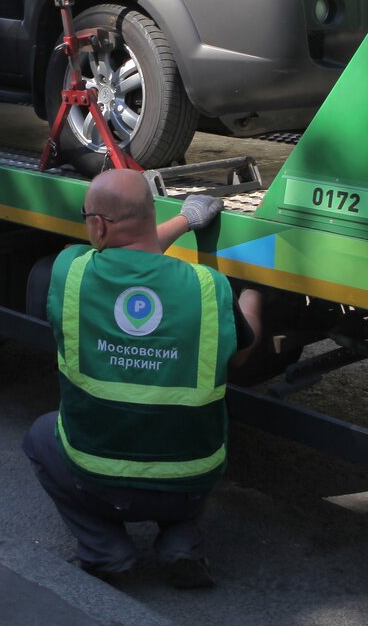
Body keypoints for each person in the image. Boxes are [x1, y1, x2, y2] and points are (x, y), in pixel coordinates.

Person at [23, 168, 262, 589]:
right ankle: (180, 542)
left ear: (96, 225)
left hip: (97, 481)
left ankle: (106, 551)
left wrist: (183, 221)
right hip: (187, 484)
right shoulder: (211, 287)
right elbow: (243, 352)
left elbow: (125, 249)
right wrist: (255, 295)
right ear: (151, 216)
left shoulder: (69, 273)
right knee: (201, 428)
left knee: (40, 437)